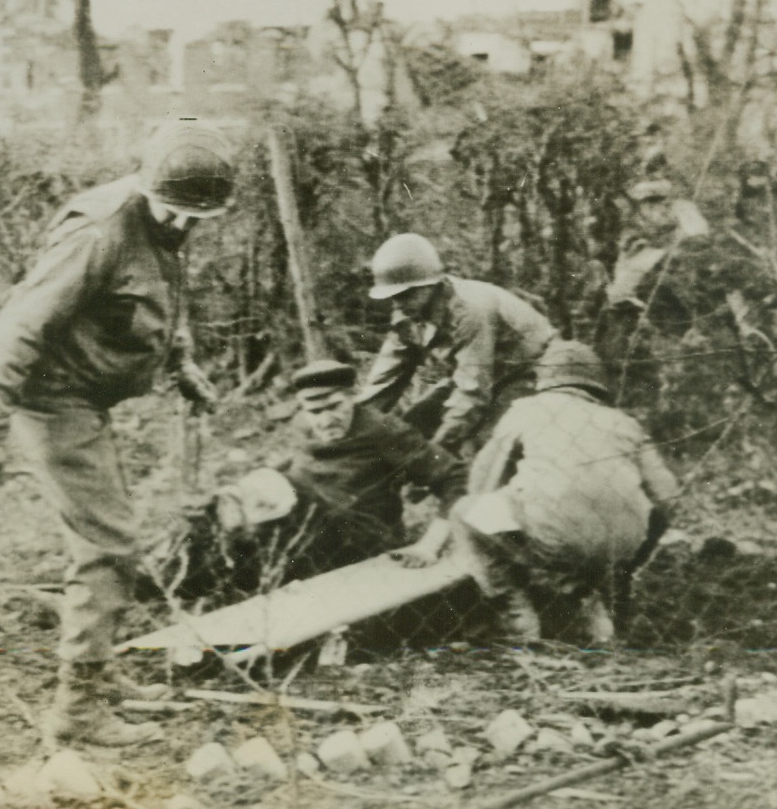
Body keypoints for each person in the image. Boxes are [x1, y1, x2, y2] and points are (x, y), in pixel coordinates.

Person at [0, 119, 235, 747]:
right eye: (176, 215)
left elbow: (156, 297)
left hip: (84, 396)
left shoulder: (167, 223)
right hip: (52, 399)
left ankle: (99, 674)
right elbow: (18, 328)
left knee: (111, 535)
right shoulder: (100, 233)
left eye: (199, 218)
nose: (186, 229)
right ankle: (78, 707)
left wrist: (182, 364)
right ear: (148, 189)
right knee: (107, 544)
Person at [152, 359, 466, 604]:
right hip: (300, 524)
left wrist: (430, 545)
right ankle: (165, 581)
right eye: (314, 410)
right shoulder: (303, 424)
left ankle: (193, 577)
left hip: (354, 532)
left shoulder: (385, 431)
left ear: (352, 397)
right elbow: (295, 464)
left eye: (334, 406)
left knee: (271, 508)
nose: (325, 420)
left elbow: (454, 476)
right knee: (213, 511)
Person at [450, 340, 678, 645]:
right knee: (568, 535)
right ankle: (587, 604)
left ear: (543, 380)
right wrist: (635, 554)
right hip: (620, 545)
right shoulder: (625, 423)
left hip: (555, 536)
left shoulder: (526, 410)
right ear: (596, 385)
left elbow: (482, 480)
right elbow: (667, 496)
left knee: (465, 512)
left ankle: (518, 624)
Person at [358, 233, 558, 454]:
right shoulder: (407, 314)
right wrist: (351, 426)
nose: (399, 303)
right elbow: (383, 383)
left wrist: (434, 453)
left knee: (485, 446)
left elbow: (472, 394)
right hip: (481, 376)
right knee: (413, 424)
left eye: (407, 294)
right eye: (393, 297)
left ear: (432, 285)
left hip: (530, 373)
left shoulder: (470, 310)